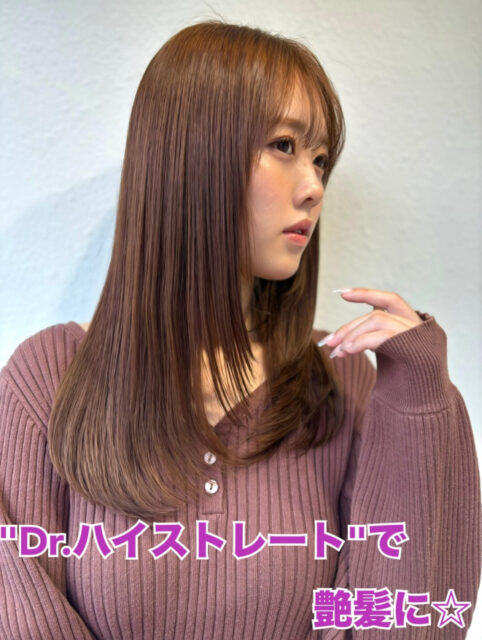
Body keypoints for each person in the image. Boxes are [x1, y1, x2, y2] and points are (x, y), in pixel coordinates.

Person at [0, 20, 480, 640]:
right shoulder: (48, 379)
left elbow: (409, 621)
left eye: (321, 159)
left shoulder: (341, 384)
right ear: (189, 154)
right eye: (284, 145)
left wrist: (418, 397)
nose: (314, 188)